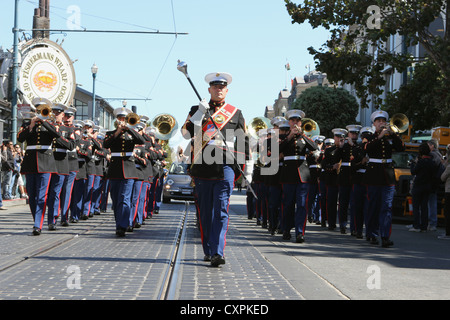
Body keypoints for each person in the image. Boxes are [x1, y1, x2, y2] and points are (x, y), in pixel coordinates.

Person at [181, 71, 248, 267]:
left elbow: (242, 141)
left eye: (222, 87)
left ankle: (218, 251)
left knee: (221, 210)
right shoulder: (196, 109)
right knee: (205, 212)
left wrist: (241, 170)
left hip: (226, 164)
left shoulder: (235, 113)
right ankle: (208, 250)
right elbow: (187, 134)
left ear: (227, 90)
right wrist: (200, 113)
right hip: (202, 164)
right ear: (209, 89)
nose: (219, 90)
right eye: (215, 87)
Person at [17, 97, 69, 235]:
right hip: (30, 162)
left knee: (42, 195)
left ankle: (37, 225)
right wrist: (31, 125)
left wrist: (44, 122)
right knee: (32, 195)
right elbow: (20, 138)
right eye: (38, 109)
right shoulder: (27, 123)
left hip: (46, 162)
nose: (40, 112)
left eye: (43, 109)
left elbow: (57, 134)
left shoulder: (51, 124)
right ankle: (37, 220)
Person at [363, 110, 405, 247]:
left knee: (386, 207)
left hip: (388, 176)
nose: (381, 123)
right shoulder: (369, 136)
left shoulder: (390, 137)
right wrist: (380, 136)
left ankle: (385, 236)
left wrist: (393, 134)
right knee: (373, 207)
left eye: (383, 121)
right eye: (378, 121)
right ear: (374, 124)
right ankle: (372, 233)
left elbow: (401, 148)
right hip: (374, 175)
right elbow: (366, 149)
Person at [103, 107, 145, 237]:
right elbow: (105, 144)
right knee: (116, 200)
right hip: (115, 168)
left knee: (125, 199)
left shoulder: (131, 133)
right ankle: (118, 224)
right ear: (117, 120)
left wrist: (130, 129)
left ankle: (123, 225)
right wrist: (118, 132)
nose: (123, 121)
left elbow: (141, 140)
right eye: (121, 119)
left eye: (125, 119)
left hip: (129, 169)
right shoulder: (111, 133)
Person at [279, 109, 319, 243]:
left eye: (297, 121)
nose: (295, 123)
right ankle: (286, 229)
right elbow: (277, 150)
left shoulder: (304, 137)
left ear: (301, 123)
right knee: (288, 204)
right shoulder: (284, 137)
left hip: (303, 175)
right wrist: (290, 136)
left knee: (302, 204)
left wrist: (302, 134)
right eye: (293, 121)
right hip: (288, 174)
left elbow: (314, 147)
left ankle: (300, 232)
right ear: (289, 123)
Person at [409, 142, 435, 232]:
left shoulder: (421, 162)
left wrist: (412, 164)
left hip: (418, 185)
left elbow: (413, 172)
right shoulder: (432, 162)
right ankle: (424, 226)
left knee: (416, 206)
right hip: (427, 186)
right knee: (424, 207)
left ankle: (416, 225)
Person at [427, 139, 444, 231]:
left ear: (432, 146)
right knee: (432, 202)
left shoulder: (433, 155)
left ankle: (431, 223)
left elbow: (431, 168)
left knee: (429, 202)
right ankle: (432, 222)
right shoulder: (439, 155)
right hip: (435, 182)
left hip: (430, 182)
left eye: (428, 145)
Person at [439, 145, 450, 239]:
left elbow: (443, 177)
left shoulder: (449, 166)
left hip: (449, 191)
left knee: (448, 212)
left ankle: (448, 233)